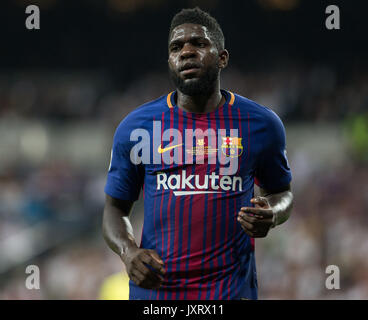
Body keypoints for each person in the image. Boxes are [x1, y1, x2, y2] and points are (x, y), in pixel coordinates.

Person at [102, 7, 293, 300]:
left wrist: (273, 213)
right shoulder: (136, 127)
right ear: (169, 61)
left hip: (230, 292)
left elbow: (283, 193)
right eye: (176, 47)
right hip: (157, 295)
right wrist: (129, 252)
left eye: (199, 43)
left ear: (222, 57)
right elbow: (115, 209)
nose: (186, 52)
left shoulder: (262, 124)